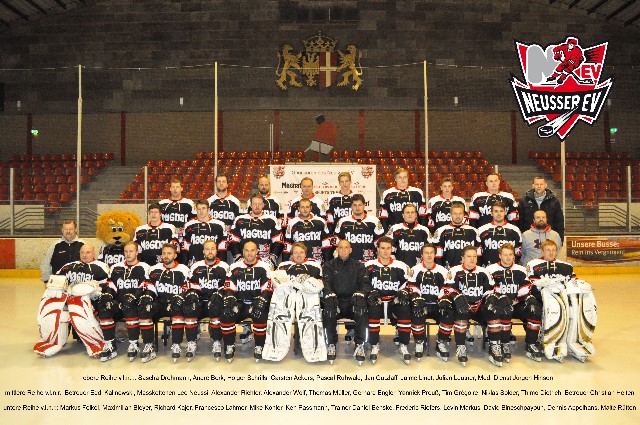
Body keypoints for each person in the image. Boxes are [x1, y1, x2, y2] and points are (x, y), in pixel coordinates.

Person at [34, 243, 109, 359]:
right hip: (68, 301)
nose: (84, 255)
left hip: (91, 303)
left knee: (79, 312)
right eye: (82, 252)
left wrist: (93, 288)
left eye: (88, 252)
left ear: (93, 253)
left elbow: (106, 286)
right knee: (53, 312)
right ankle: (52, 342)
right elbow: (56, 281)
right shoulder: (69, 266)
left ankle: (96, 343)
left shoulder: (102, 266)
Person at [445, 245, 502, 367]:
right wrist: (456, 297)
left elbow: (490, 290)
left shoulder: (484, 271)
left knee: (494, 312)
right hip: (463, 307)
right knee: (461, 312)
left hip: (479, 306)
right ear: (462, 258)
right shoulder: (454, 271)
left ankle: (494, 346)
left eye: (474, 256)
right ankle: (461, 347)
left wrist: (490, 297)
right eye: (469, 256)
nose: (472, 259)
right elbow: (448, 289)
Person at [266, 242, 324, 360]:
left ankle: (314, 349)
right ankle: (274, 348)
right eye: (296, 252)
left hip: (307, 301)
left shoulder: (314, 266)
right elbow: (276, 284)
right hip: (287, 301)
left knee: (309, 319)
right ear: (292, 254)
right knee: (279, 318)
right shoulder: (283, 265)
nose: (298, 255)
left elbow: (320, 285)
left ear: (305, 254)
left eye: (301, 252)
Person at [486, 243, 543, 362]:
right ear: (500, 256)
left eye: (510, 254)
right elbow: (490, 290)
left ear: (514, 256)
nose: (508, 257)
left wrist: (528, 298)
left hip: (517, 304)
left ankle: (531, 343)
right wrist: (501, 299)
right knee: (504, 310)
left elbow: (525, 289)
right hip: (500, 305)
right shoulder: (491, 269)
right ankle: (504, 343)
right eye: (505, 255)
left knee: (534, 309)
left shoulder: (521, 269)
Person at [137, 243, 192, 363]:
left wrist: (181, 297)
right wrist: (148, 296)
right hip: (160, 303)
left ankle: (176, 344)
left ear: (175, 255)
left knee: (178, 310)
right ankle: (149, 345)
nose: (166, 256)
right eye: (164, 253)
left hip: (175, 303)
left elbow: (187, 288)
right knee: (145, 309)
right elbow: (149, 286)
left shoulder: (184, 269)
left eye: (169, 253)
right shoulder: (154, 269)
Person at [98, 241, 150, 362]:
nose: (128, 254)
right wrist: (108, 294)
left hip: (135, 303)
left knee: (130, 309)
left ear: (137, 252)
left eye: (131, 251)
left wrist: (134, 297)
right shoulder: (116, 267)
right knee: (104, 308)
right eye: (126, 251)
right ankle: (110, 345)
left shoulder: (145, 267)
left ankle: (134, 343)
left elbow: (146, 286)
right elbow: (111, 285)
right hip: (119, 302)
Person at [221, 241, 273, 362]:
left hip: (257, 303)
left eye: (252, 250)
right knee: (226, 313)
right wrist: (230, 298)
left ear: (257, 251)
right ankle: (229, 346)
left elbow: (267, 289)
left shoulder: (264, 267)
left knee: (261, 314)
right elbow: (229, 288)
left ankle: (259, 346)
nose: (249, 253)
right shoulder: (234, 267)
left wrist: (262, 300)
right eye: (247, 250)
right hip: (240, 303)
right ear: (243, 252)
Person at [322, 239, 372, 365]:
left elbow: (365, 284)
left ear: (350, 250)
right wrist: (329, 293)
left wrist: (361, 294)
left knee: (362, 308)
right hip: (336, 303)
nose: (343, 250)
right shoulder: (329, 265)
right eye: (341, 247)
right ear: (337, 249)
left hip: (352, 303)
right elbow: (326, 284)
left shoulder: (359, 266)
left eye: (346, 247)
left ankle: (360, 344)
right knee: (328, 309)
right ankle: (331, 344)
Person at [364, 237, 412, 364]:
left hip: (393, 302)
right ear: (378, 249)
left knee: (405, 308)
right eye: (383, 248)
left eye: (388, 248)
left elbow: (408, 284)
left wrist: (402, 293)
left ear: (392, 249)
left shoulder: (401, 266)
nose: (385, 251)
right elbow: (363, 283)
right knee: (372, 309)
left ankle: (403, 344)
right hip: (377, 302)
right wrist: (370, 293)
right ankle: (374, 344)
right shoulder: (369, 265)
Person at [188, 240, 230, 361]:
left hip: (216, 302)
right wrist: (194, 297)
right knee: (189, 307)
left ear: (217, 251)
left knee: (216, 306)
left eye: (212, 249)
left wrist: (218, 296)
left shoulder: (225, 267)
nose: (210, 251)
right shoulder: (196, 266)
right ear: (203, 251)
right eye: (207, 249)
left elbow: (227, 288)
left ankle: (217, 341)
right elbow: (192, 286)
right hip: (201, 302)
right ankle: (191, 342)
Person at [407, 243, 450, 361]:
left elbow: (446, 288)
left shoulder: (443, 270)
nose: (429, 255)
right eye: (426, 253)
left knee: (448, 313)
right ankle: (419, 341)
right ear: (422, 255)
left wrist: (443, 299)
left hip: (437, 305)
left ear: (435, 254)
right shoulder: (415, 270)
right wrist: (416, 298)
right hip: (422, 305)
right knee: (416, 311)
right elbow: (411, 287)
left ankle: (441, 341)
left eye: (431, 252)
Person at [229, 193, 283, 268]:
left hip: (265, 260)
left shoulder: (272, 220)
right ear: (251, 205)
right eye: (255, 204)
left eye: (259, 204)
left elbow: (278, 241)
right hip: (244, 260)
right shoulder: (240, 219)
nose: (257, 206)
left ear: (263, 205)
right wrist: (238, 257)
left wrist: (272, 258)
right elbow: (233, 241)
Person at [333, 193, 384, 262]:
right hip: (348, 262)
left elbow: (380, 243)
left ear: (364, 205)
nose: (357, 208)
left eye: (360, 205)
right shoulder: (343, 221)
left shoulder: (374, 221)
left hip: (368, 261)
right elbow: (337, 243)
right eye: (355, 205)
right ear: (351, 206)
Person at [283, 197, 331, 264]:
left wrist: (327, 264)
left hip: (317, 262)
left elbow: (326, 245)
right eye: (302, 207)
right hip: (298, 262)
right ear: (299, 209)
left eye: (307, 207)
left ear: (311, 208)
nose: (305, 209)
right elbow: (288, 245)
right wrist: (285, 263)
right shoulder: (292, 223)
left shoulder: (320, 222)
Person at [182, 199, 228, 266]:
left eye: (203, 208)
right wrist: (184, 266)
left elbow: (222, 248)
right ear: (196, 210)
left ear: (208, 210)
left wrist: (221, 265)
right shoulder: (188, 225)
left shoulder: (219, 225)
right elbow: (185, 249)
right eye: (199, 209)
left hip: (213, 263)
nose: (201, 211)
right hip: (193, 263)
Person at [476, 201, 523, 267]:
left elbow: (518, 253)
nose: (499, 214)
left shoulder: (515, 230)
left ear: (505, 212)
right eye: (496, 211)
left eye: (501, 211)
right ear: (491, 213)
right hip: (487, 269)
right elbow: (478, 254)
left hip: (509, 269)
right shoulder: (481, 230)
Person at [433, 203, 479, 268]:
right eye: (455, 214)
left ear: (464, 214)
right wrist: (441, 270)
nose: (458, 216)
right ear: (450, 215)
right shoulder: (441, 231)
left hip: (468, 269)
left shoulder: (473, 231)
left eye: (460, 213)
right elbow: (438, 255)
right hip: (448, 269)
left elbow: (478, 254)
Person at [386, 203, 431, 268]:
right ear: (403, 215)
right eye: (407, 212)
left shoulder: (424, 230)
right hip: (400, 268)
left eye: (412, 212)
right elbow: (387, 248)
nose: (410, 214)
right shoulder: (395, 229)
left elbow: (430, 250)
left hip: (420, 268)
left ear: (416, 215)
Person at [159, 178, 195, 246]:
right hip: (166, 239)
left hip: (183, 239)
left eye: (177, 187)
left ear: (181, 189)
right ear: (170, 189)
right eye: (173, 187)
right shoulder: (161, 203)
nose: (175, 189)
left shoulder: (189, 203)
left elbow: (193, 221)